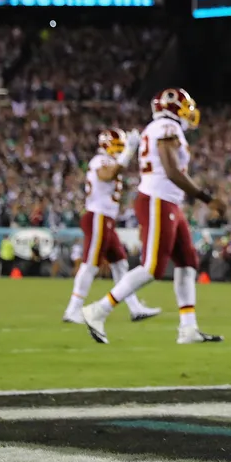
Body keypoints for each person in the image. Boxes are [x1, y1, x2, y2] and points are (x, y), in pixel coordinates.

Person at [82, 88, 223, 345]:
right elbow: (171, 170)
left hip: (168, 201)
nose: (188, 112)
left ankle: (188, 328)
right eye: (184, 107)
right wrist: (206, 198)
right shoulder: (167, 126)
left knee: (188, 262)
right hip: (158, 199)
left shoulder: (162, 128)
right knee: (152, 268)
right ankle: (99, 309)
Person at [63, 129, 159, 324]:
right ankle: (72, 310)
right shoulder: (100, 161)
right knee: (90, 265)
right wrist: (128, 152)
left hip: (107, 219)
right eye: (117, 146)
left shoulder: (111, 160)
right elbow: (107, 175)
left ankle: (134, 307)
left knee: (120, 264)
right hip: (98, 216)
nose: (120, 150)